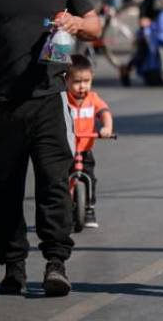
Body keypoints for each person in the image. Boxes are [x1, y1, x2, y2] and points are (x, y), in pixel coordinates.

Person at [0, 0, 101, 297]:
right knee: (2, 192)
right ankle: (14, 265)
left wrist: (75, 23)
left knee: (55, 185)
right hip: (0, 106)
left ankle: (56, 263)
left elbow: (94, 24)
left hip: (50, 101)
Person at [63, 53, 113, 229]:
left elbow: (104, 113)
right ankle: (63, 211)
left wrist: (106, 128)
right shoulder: (63, 100)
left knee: (90, 178)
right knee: (60, 179)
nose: (82, 86)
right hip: (66, 149)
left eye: (86, 81)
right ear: (66, 81)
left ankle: (89, 208)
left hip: (85, 149)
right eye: (77, 82)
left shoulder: (93, 99)